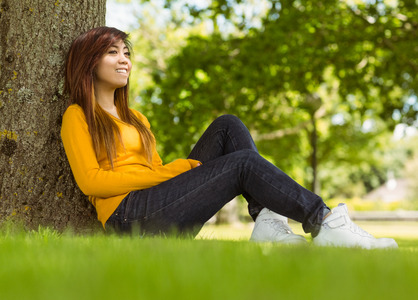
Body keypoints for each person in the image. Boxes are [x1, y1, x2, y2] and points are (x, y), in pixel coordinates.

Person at [61, 26, 397, 249]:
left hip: (157, 208)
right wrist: (173, 172)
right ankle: (323, 220)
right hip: (127, 218)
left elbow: (155, 173)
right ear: (89, 62)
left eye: (127, 53)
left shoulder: (137, 119)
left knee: (228, 125)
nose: (124, 60)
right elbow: (91, 182)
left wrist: (171, 174)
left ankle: (267, 220)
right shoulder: (78, 115)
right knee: (243, 164)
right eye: (112, 53)